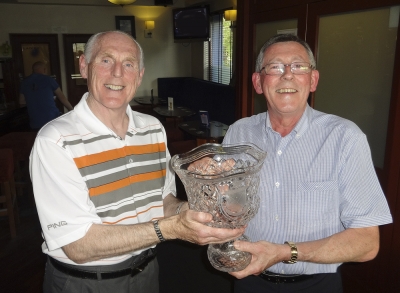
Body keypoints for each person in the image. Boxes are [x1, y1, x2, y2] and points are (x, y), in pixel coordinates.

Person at [29, 31, 244, 293]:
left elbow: (163, 202)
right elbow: (78, 245)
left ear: (139, 75)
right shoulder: (55, 140)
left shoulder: (153, 129)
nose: (117, 73)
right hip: (84, 282)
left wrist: (194, 211)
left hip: (147, 273)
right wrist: (173, 228)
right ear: (84, 67)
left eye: (129, 64)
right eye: (106, 60)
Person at [220, 34, 392, 292]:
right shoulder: (239, 132)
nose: (287, 75)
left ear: (313, 80)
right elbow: (227, 209)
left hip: (315, 285)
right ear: (258, 82)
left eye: (298, 66)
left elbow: (367, 243)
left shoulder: (345, 138)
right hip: (250, 281)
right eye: (275, 67)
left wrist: (283, 252)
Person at [19, 61, 73, 130]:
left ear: (33, 70)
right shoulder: (49, 80)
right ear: (44, 69)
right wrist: (72, 110)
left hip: (35, 122)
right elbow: (62, 98)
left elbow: (22, 102)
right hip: (52, 119)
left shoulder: (24, 83)